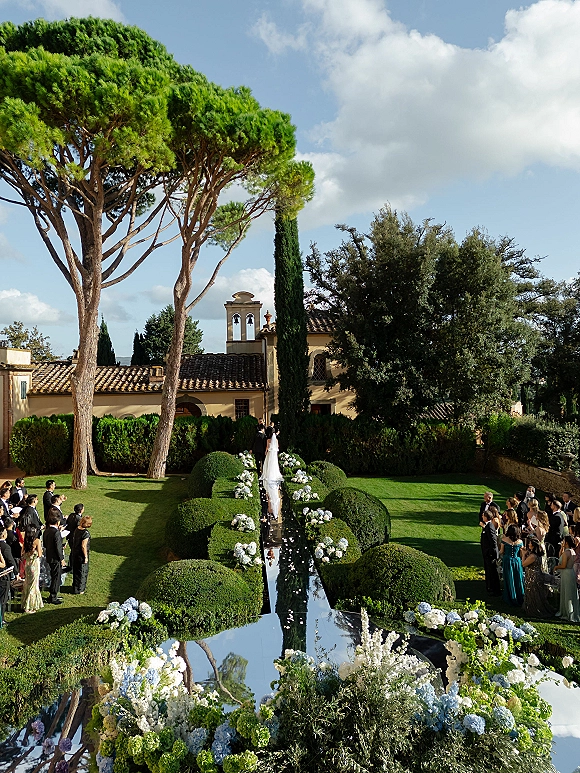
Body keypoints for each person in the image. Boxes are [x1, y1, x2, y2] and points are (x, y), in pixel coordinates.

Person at [521, 536, 553, 618]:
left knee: (533, 593)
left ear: (533, 545)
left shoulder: (533, 556)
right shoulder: (537, 554)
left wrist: (523, 555)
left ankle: (534, 609)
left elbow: (524, 564)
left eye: (530, 543)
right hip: (535, 575)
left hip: (533, 576)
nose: (528, 544)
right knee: (534, 593)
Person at [260, 421, 283, 521]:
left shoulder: (268, 440)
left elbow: (267, 448)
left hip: (270, 455)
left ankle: (268, 475)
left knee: (267, 466)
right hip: (274, 456)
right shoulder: (276, 440)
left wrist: (266, 453)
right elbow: (277, 449)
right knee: (274, 466)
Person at [554, 535, 580, 622]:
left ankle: (568, 612)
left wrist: (556, 567)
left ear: (567, 542)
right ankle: (570, 611)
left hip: (566, 573)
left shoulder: (567, 553)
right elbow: (560, 556)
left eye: (564, 541)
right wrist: (562, 547)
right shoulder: (572, 551)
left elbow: (563, 565)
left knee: (567, 592)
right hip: (571, 572)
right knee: (570, 592)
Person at [20, 524, 44, 614]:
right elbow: (40, 554)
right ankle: (29, 606)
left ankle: (26, 603)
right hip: (34, 564)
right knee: (33, 585)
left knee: (27, 583)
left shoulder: (25, 542)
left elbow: (22, 554)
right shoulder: (37, 541)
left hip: (27, 565)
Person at [43, 511, 65, 604]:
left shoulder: (46, 531)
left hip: (49, 555)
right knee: (56, 577)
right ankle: (53, 596)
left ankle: (53, 594)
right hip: (55, 558)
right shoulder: (56, 533)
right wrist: (62, 559)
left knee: (53, 576)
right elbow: (58, 548)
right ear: (57, 522)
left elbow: (46, 544)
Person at [500, 524, 525, 606]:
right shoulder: (520, 542)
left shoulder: (504, 540)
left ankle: (509, 596)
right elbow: (521, 554)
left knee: (509, 578)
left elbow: (501, 551)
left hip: (507, 560)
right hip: (517, 561)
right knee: (518, 578)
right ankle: (519, 596)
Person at [480, 511, 500, 596]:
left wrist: (491, 553)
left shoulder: (490, 526)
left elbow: (493, 541)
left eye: (483, 515)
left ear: (486, 517)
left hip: (490, 554)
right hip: (487, 553)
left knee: (492, 572)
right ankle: (490, 587)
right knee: (489, 571)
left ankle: (495, 590)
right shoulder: (487, 526)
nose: (482, 517)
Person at [0, 526, 17, 623]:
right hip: (3, 575)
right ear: (3, 535)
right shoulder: (5, 547)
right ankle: (1, 619)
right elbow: (9, 561)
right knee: (3, 599)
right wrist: (16, 572)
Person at [71, 515, 92, 594]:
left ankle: (75, 587)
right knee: (82, 571)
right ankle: (80, 589)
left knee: (76, 571)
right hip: (81, 555)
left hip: (75, 553)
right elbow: (84, 546)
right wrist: (86, 557)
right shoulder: (85, 533)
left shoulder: (77, 529)